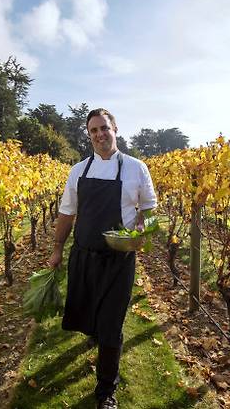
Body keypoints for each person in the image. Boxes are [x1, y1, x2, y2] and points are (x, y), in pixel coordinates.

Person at [49, 108, 157, 409]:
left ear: (115, 129)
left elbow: (148, 209)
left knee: (111, 325)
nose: (99, 135)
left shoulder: (136, 168)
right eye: (93, 130)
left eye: (104, 128)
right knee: (88, 315)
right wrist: (57, 248)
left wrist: (141, 231)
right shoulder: (78, 171)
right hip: (83, 257)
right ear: (89, 135)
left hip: (118, 260)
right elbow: (67, 213)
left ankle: (106, 391)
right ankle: (96, 335)